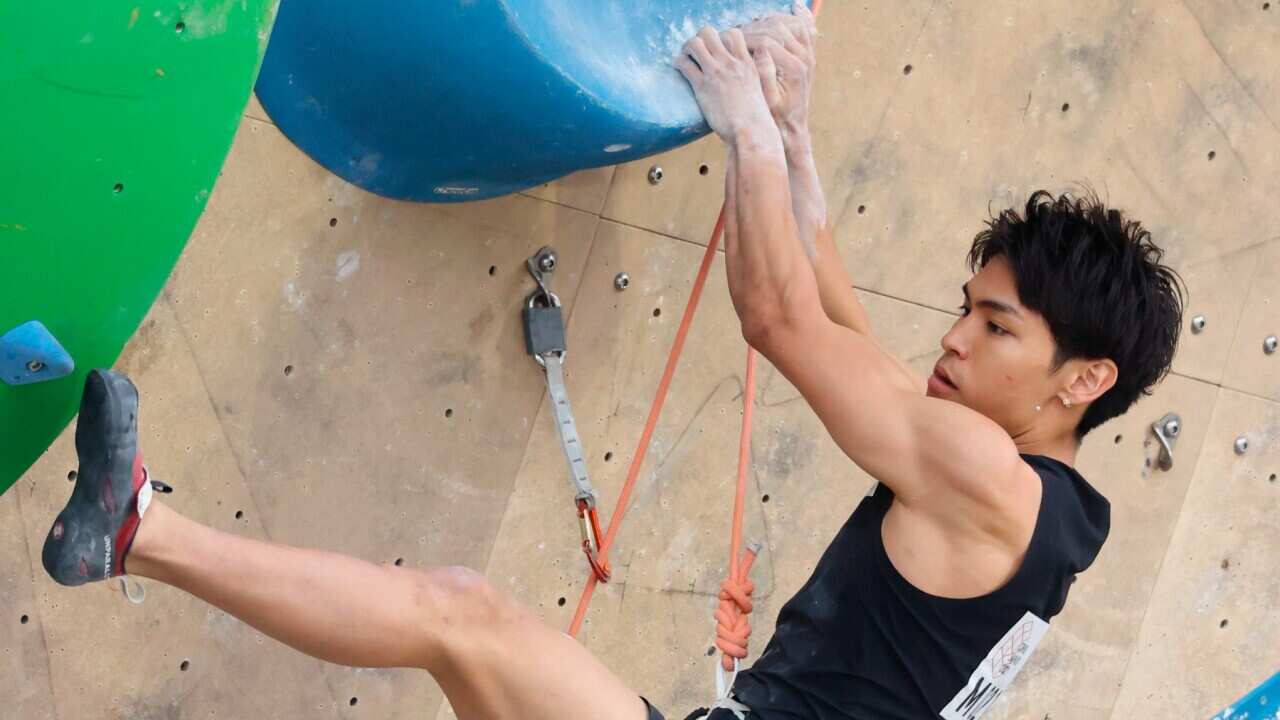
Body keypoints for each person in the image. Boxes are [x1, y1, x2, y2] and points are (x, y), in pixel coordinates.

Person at [39, 5, 1184, 719]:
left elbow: (782, 322)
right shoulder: (1037, 505)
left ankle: (133, 528)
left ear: (1081, 379)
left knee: (463, 618)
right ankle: (126, 529)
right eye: (963, 308)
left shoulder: (987, 486)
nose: (952, 339)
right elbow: (839, 319)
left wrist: (739, 125)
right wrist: (788, 127)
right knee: (459, 629)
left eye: (993, 328)